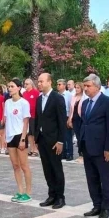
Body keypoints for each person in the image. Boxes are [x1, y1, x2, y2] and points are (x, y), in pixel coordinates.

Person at [79, 74, 109, 218]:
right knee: (91, 178)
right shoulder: (85, 103)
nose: (85, 89)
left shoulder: (108, 102)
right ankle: (96, 205)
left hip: (102, 148)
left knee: (105, 178)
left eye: (88, 86)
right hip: (87, 146)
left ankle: (106, 207)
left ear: (97, 86)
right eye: (84, 86)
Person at [35, 73, 67, 208]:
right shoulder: (39, 99)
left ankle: (60, 197)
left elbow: (62, 121)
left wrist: (60, 141)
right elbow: (37, 119)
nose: (39, 84)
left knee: (56, 168)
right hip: (42, 139)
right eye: (38, 81)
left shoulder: (57, 98)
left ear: (49, 82)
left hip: (54, 140)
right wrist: (36, 138)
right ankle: (51, 195)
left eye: (42, 81)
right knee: (47, 169)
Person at [4, 79, 33, 203]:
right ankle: (20, 191)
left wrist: (23, 139)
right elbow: (7, 120)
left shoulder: (24, 103)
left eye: (12, 86)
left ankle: (28, 192)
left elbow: (26, 122)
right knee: (15, 165)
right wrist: (5, 136)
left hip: (20, 135)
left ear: (19, 88)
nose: (10, 88)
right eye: (9, 86)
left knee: (24, 165)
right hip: (10, 136)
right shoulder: (7, 102)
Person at [57, 79, 74, 161]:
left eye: (59, 84)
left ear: (64, 86)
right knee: (61, 135)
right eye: (57, 84)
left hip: (66, 116)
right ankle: (63, 153)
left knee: (68, 136)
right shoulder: (57, 95)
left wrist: (70, 119)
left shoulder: (68, 95)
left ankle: (70, 153)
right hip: (59, 117)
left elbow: (71, 107)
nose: (58, 86)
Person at [22, 78, 40, 157]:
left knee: (34, 133)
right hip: (26, 116)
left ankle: (36, 149)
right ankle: (32, 149)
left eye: (27, 84)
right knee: (29, 133)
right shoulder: (24, 93)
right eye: (25, 84)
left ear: (31, 84)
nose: (25, 85)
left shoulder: (36, 92)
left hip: (34, 116)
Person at [68, 82, 85, 164]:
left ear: (81, 88)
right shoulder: (73, 97)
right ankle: (80, 154)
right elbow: (71, 109)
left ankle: (83, 154)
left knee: (82, 137)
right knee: (78, 137)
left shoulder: (84, 97)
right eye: (76, 88)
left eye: (78, 88)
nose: (76, 89)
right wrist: (69, 119)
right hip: (74, 119)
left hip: (82, 119)